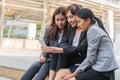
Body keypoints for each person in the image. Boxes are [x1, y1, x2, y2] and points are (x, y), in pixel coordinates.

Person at [62, 8, 119, 80]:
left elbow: (90, 58)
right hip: (102, 67)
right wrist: (83, 66)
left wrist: (73, 74)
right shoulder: (95, 29)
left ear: (88, 21)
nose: (78, 25)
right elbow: (92, 57)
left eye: (79, 22)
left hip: (102, 69)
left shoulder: (93, 31)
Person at [21, 6, 69, 80]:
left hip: (58, 62)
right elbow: (45, 46)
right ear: (54, 19)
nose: (60, 22)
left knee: (44, 69)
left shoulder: (70, 31)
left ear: (66, 19)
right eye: (57, 20)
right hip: (48, 58)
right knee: (35, 65)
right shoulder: (49, 30)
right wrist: (42, 56)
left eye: (62, 19)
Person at [42, 4, 88, 80]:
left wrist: (60, 49)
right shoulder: (72, 30)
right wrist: (54, 49)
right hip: (70, 58)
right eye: (68, 18)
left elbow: (81, 49)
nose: (69, 20)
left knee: (61, 49)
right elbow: (62, 45)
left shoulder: (86, 30)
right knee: (59, 46)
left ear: (78, 16)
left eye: (71, 17)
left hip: (82, 61)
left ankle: (56, 75)